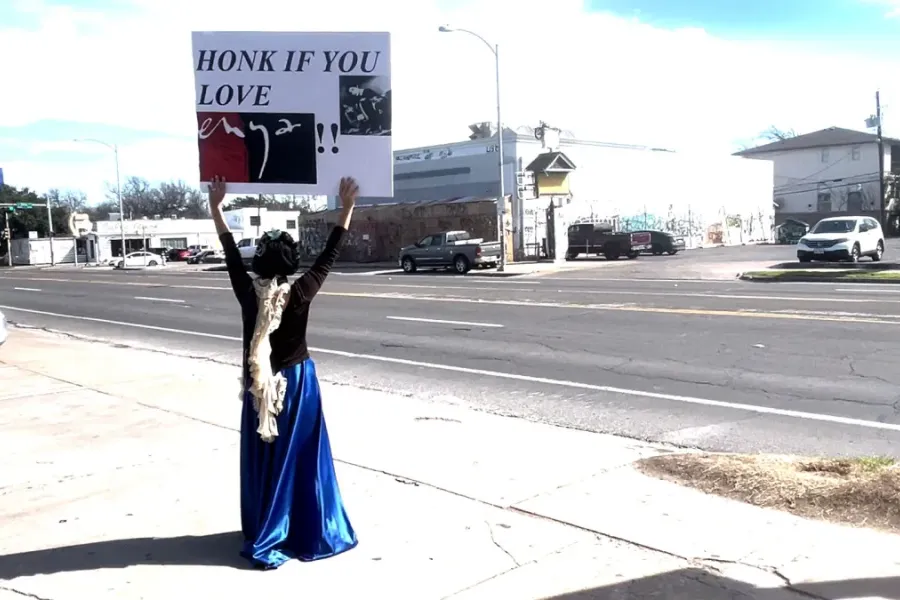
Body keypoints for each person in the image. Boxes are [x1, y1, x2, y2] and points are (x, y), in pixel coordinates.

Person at [208, 175, 359, 570]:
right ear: (292, 264)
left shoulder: (247, 292)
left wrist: (217, 208)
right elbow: (329, 254)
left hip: (261, 387)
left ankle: (267, 525)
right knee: (302, 458)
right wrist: (346, 207)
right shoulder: (301, 292)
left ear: (258, 261)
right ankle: (302, 526)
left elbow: (228, 251)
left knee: (265, 456)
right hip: (297, 384)